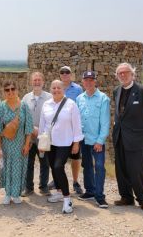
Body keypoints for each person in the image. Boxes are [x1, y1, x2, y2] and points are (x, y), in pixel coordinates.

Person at [113, 63, 143, 211]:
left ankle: (142, 199)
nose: (123, 75)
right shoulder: (116, 91)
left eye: (126, 72)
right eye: (120, 73)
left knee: (137, 170)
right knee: (121, 169)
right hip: (120, 137)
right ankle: (126, 197)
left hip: (137, 139)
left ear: (133, 74)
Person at [39, 80, 83, 214]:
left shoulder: (71, 105)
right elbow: (42, 124)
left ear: (63, 89)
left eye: (59, 88)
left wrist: (76, 143)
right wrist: (41, 141)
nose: (56, 90)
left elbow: (77, 124)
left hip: (65, 142)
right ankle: (58, 192)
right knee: (53, 167)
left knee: (58, 167)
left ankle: (67, 198)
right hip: (50, 143)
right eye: (54, 88)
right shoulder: (46, 104)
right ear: (50, 89)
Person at [0, 81, 33, 204]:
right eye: (7, 90)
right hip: (6, 145)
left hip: (20, 144)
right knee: (6, 168)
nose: (10, 92)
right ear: (4, 92)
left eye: (12, 89)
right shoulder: (0, 107)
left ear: (17, 90)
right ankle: (7, 193)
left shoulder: (24, 106)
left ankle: (16, 194)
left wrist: (27, 145)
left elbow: (29, 127)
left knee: (18, 168)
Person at [76, 71, 110, 208]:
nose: (89, 82)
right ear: (82, 82)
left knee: (100, 167)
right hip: (84, 139)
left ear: (95, 81)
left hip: (97, 141)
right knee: (87, 165)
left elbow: (105, 122)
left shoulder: (103, 99)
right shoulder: (79, 99)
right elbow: (77, 120)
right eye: (86, 80)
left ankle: (100, 196)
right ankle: (90, 191)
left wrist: (100, 141)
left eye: (91, 80)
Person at [21, 72, 51, 196]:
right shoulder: (26, 98)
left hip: (44, 136)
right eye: (35, 80)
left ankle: (43, 187)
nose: (37, 82)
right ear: (31, 82)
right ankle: (28, 187)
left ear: (43, 82)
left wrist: (42, 129)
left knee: (45, 162)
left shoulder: (49, 97)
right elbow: (22, 116)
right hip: (29, 136)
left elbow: (52, 116)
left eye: (39, 80)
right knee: (28, 162)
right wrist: (30, 128)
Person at [57, 65, 84, 195]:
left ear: (71, 74)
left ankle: (75, 181)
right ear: (60, 75)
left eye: (67, 72)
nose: (65, 74)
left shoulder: (78, 89)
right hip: (60, 130)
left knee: (75, 157)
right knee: (58, 157)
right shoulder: (57, 88)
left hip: (72, 130)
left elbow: (80, 108)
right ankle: (58, 180)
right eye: (62, 72)